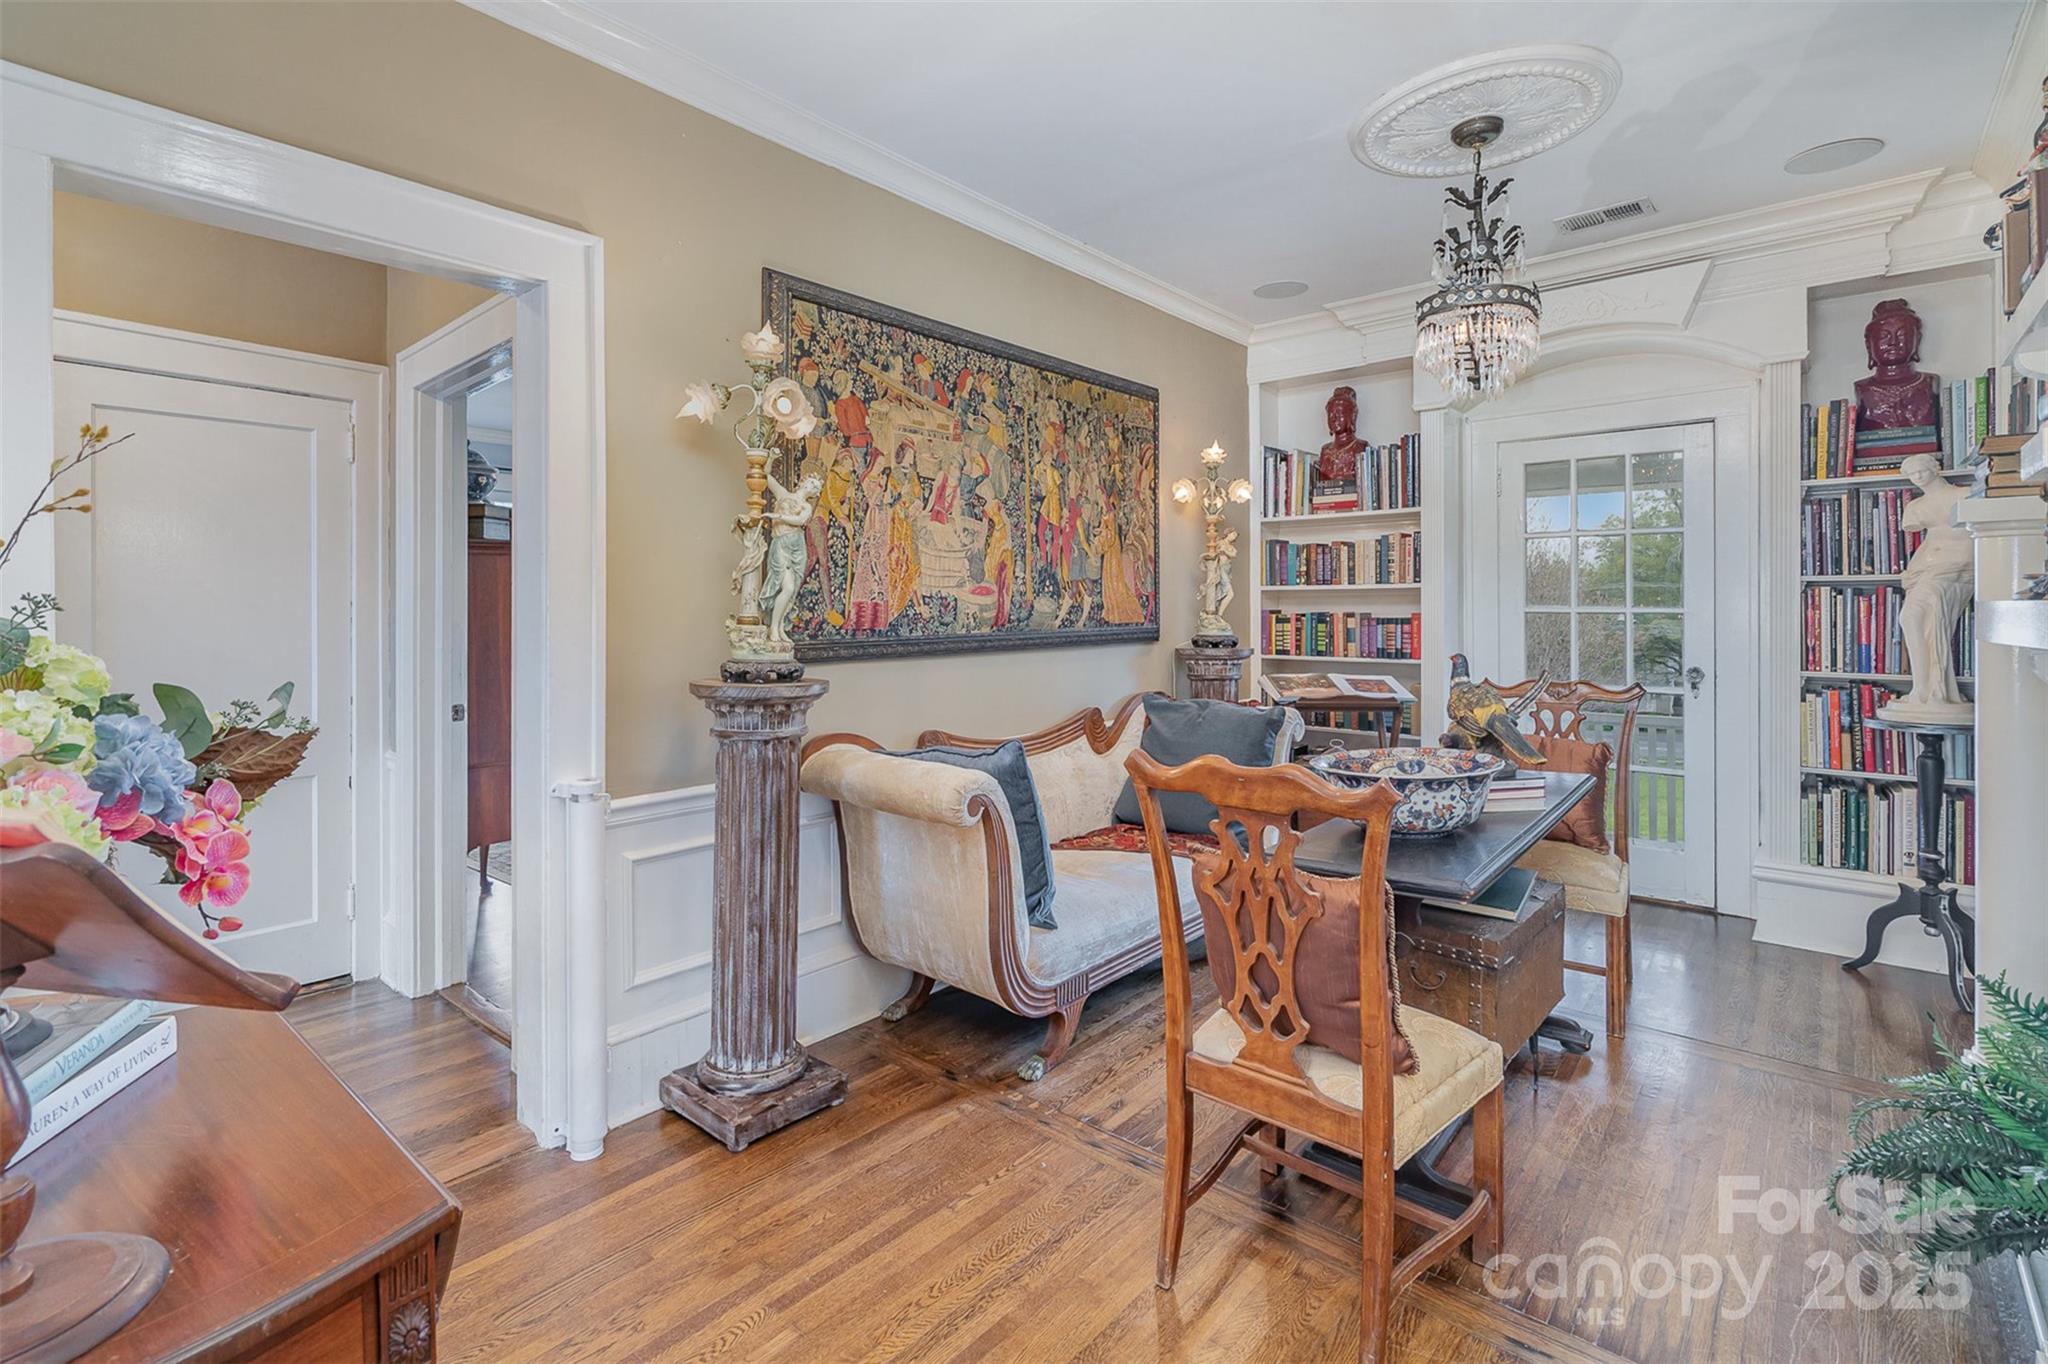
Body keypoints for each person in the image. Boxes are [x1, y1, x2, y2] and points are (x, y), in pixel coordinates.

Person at [1883, 453, 1973, 717]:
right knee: (1909, 619)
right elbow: (1928, 541)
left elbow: (1973, 538)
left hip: (1956, 565)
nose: (1918, 477)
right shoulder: (1916, 508)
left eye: (1921, 470)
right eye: (1912, 474)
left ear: (1936, 468)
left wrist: (1961, 565)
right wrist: (1913, 570)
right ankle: (1921, 690)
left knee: (1931, 621)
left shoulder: (1965, 494)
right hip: (1925, 566)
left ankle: (1939, 692)